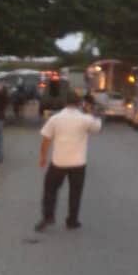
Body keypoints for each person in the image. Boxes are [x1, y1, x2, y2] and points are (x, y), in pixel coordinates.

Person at [35, 92, 102, 232]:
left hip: (59, 162)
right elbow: (97, 128)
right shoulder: (85, 119)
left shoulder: (55, 118)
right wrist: (91, 113)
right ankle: (72, 220)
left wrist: (43, 157)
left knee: (50, 189)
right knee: (75, 192)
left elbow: (46, 139)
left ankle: (48, 216)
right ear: (79, 103)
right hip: (78, 163)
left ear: (65, 102)